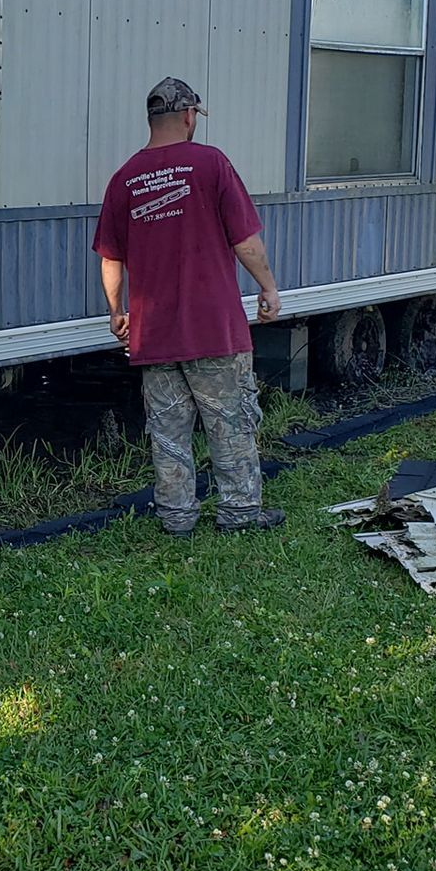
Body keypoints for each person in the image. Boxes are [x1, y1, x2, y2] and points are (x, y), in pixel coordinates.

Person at [93, 77, 285, 537]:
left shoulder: (125, 179)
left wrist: (117, 311)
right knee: (230, 421)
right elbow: (245, 242)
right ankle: (239, 514)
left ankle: (177, 517)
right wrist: (268, 287)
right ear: (188, 115)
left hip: (154, 331)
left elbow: (110, 258)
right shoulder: (211, 163)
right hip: (213, 328)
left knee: (168, 431)